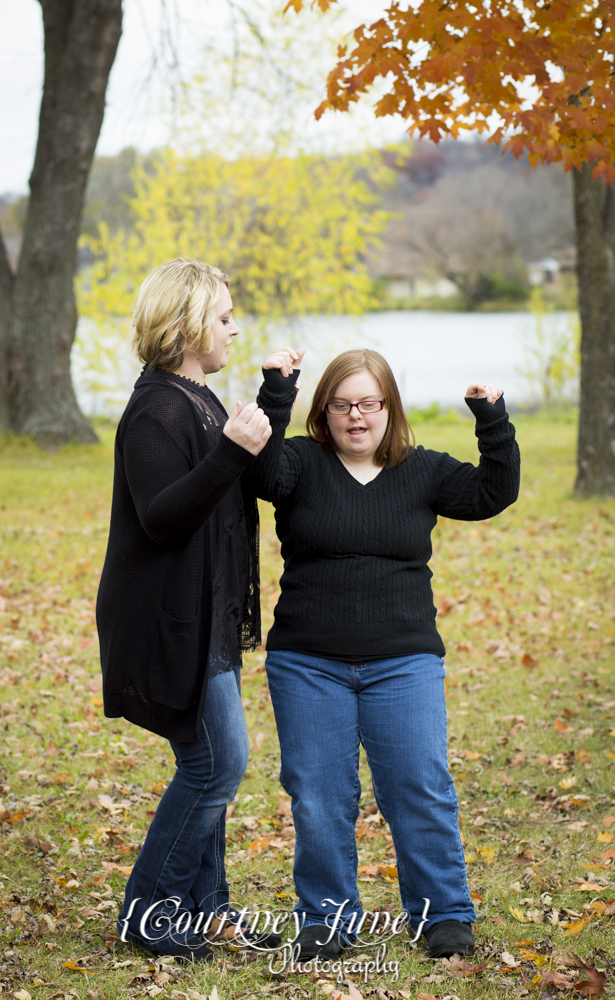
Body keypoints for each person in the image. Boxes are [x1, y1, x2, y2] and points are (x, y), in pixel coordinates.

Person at [252, 348, 520, 960]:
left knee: (417, 784)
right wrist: (277, 390)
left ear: (388, 408)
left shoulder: (421, 469)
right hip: (308, 662)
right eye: (342, 405)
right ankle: (327, 916)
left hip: (403, 662)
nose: (356, 417)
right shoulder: (299, 461)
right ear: (325, 411)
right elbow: (260, 474)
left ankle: (443, 913)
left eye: (369, 404)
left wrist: (491, 417)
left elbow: (492, 492)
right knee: (319, 792)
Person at [96, 258, 274, 961]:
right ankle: (148, 910)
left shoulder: (197, 399)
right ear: (187, 322)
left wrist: (272, 402)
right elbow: (164, 516)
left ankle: (209, 911)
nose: (234, 328)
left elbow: (242, 479)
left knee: (209, 765)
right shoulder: (157, 409)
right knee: (216, 764)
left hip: (203, 610)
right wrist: (229, 452)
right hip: (167, 619)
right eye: (224, 316)